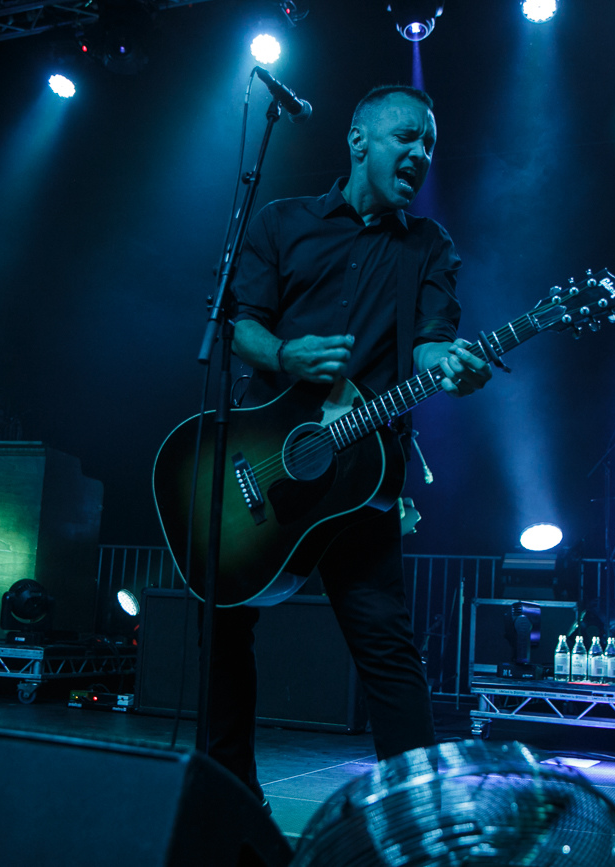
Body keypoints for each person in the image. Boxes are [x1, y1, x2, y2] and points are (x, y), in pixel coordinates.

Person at [211, 85, 491, 807]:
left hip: (360, 478)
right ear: (359, 140)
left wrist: (453, 366)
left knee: (387, 647)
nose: (421, 154)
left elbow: (430, 345)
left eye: (430, 144)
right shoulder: (282, 221)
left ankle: (418, 814)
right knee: (222, 624)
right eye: (407, 137)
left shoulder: (429, 245)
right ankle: (228, 798)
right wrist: (286, 355)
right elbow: (240, 326)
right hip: (265, 462)